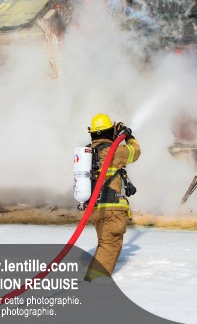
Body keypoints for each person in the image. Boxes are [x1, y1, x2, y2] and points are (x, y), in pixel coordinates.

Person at [83, 113, 141, 282]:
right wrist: (128, 136)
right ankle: (94, 283)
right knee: (110, 245)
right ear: (110, 132)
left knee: (104, 243)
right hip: (112, 208)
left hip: (96, 208)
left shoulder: (89, 152)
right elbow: (135, 152)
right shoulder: (113, 151)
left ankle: (93, 279)